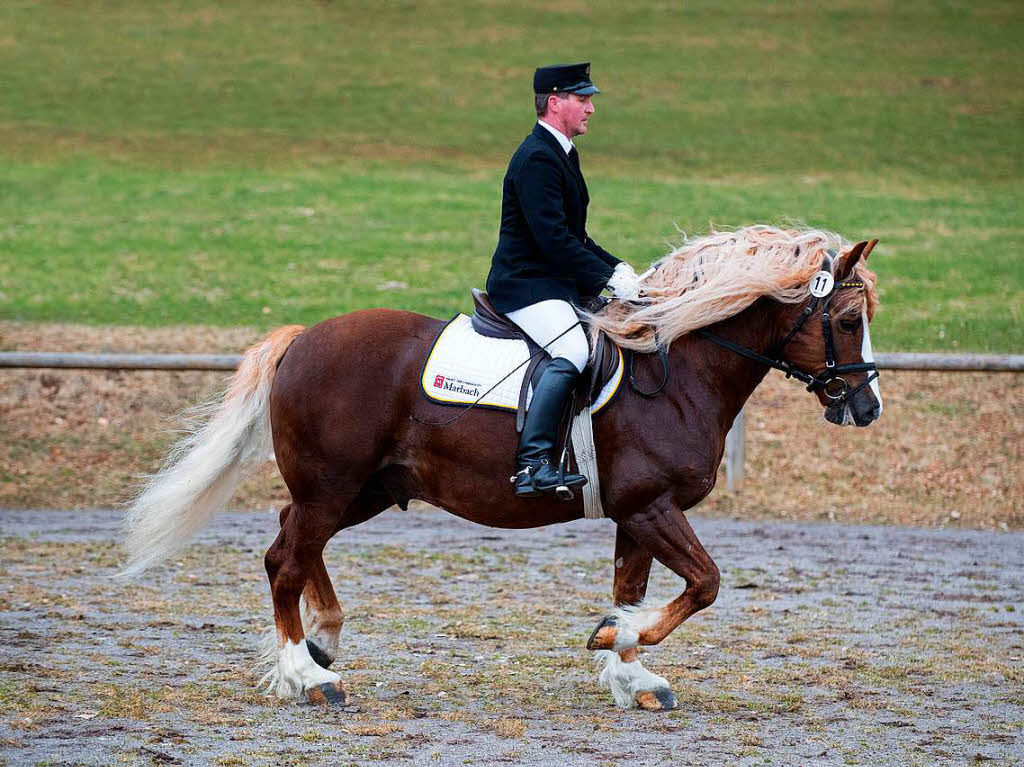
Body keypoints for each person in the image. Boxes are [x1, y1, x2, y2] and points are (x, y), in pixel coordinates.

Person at [485, 62, 641, 498]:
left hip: (553, 282)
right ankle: (533, 463)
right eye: (583, 99)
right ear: (555, 103)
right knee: (573, 349)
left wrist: (620, 269)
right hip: (526, 284)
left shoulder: (562, 152)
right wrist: (607, 278)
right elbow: (552, 241)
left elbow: (576, 237)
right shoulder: (537, 157)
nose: (591, 109)